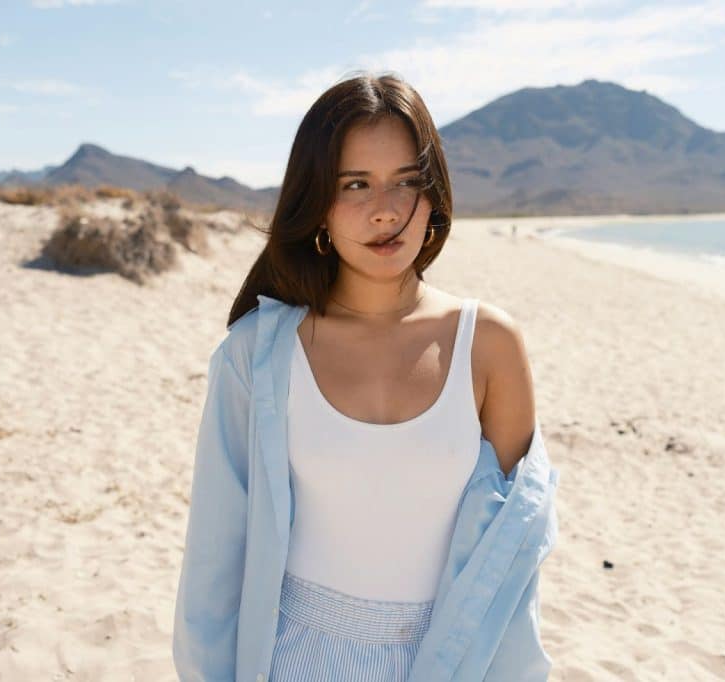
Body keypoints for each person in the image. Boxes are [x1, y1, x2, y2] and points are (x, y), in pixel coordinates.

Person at [172, 71, 560, 681]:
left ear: (433, 196)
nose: (386, 211)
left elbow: (510, 565)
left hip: (446, 664)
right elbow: (214, 563)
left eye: (407, 182)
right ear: (317, 202)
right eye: (356, 184)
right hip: (291, 661)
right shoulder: (257, 354)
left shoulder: (489, 347)